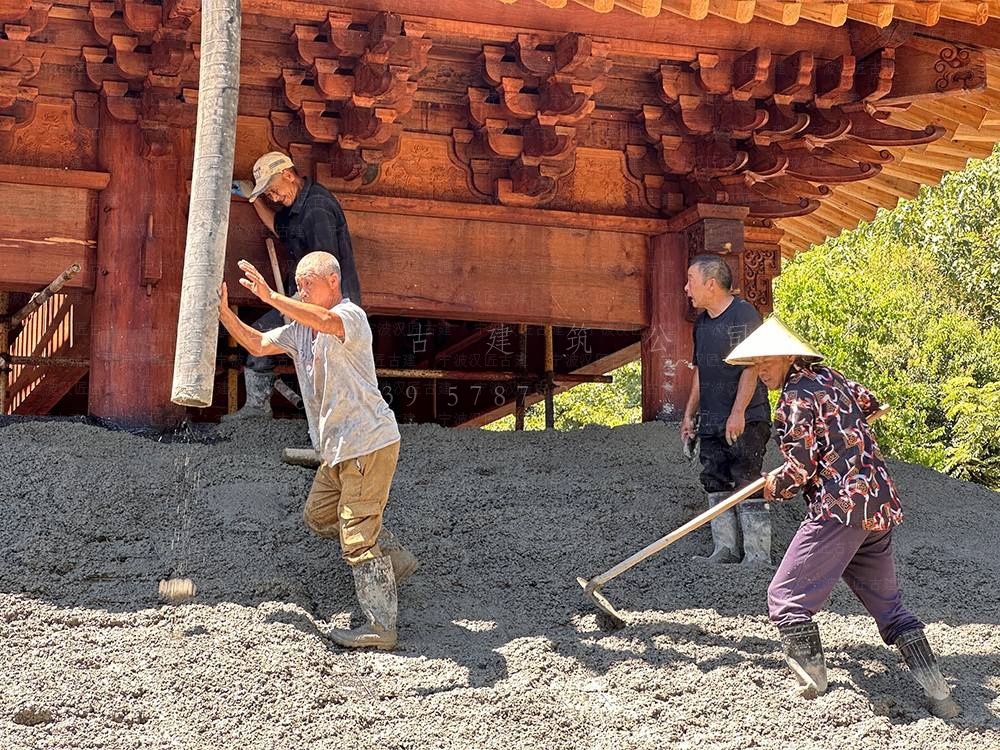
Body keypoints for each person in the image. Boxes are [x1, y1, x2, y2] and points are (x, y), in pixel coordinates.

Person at [725, 316, 960, 719]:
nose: (761, 371)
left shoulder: (794, 398)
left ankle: (812, 685)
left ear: (788, 357)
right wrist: (842, 434)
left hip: (840, 508)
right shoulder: (831, 378)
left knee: (786, 597)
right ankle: (941, 696)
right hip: (877, 504)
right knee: (890, 609)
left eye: (767, 361)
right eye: (756, 364)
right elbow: (873, 405)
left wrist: (769, 486)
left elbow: (800, 470)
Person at [218, 251, 416, 651]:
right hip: (336, 450)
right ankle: (393, 560)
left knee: (357, 538)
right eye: (297, 285)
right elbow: (258, 343)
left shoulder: (350, 316)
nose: (301, 290)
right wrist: (224, 315)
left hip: (367, 442)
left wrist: (271, 297)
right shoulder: (299, 331)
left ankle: (381, 628)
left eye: (307, 284)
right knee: (319, 516)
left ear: (332, 282)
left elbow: (326, 320)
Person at [228, 151, 362, 420]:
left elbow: (325, 269)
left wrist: (295, 304)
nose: (274, 198)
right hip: (306, 301)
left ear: (288, 175)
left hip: (330, 307)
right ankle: (260, 409)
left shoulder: (317, 209)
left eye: (274, 190)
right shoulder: (296, 206)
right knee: (266, 337)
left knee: (329, 367)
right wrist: (254, 198)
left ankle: (337, 424)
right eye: (269, 195)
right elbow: (278, 226)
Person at [681, 254, 772, 566]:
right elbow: (700, 372)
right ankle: (725, 549)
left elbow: (752, 366)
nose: (686, 288)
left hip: (747, 417)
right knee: (714, 478)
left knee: (747, 478)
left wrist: (738, 412)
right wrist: (689, 414)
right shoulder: (702, 324)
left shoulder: (744, 314)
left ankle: (757, 555)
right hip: (711, 419)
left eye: (690, 281)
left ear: (711, 284)